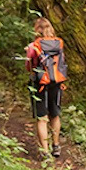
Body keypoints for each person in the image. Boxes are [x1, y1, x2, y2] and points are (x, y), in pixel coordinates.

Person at [25, 17, 68, 159]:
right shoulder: (59, 43)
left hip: (40, 84)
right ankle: (56, 146)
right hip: (57, 82)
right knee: (55, 114)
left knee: (42, 118)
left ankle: (45, 151)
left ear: (36, 30)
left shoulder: (34, 46)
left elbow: (29, 67)